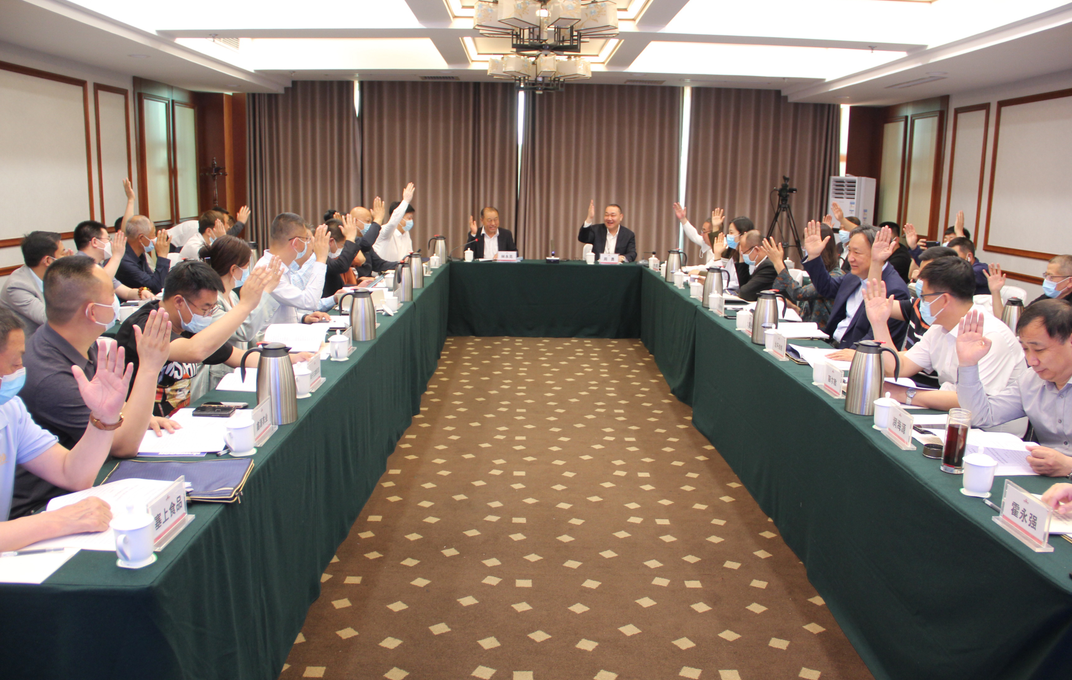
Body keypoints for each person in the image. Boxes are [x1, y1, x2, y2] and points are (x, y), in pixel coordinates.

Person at [12, 256, 176, 517]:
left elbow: (113, 414)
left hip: (77, 484)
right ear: (92, 311)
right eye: (111, 295)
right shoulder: (48, 375)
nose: (115, 301)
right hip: (44, 505)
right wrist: (149, 366)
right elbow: (123, 445)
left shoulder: (74, 341)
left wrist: (137, 415)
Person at [0, 307, 133, 552]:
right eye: (14, 363)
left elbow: (71, 473)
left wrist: (103, 417)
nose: (20, 370)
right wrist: (58, 521)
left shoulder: (9, 409)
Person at [114, 259, 294, 417]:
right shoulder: (147, 325)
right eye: (205, 308)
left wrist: (288, 359)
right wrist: (245, 306)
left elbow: (239, 357)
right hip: (142, 426)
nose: (208, 315)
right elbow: (194, 351)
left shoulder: (188, 323)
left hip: (178, 422)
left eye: (212, 309)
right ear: (179, 302)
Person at [859, 257, 1024, 413]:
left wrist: (905, 394)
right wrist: (879, 322)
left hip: (989, 429)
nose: (920, 303)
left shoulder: (991, 336)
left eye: (924, 297)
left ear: (944, 299)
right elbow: (898, 367)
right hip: (949, 415)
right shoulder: (939, 328)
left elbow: (968, 401)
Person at [956, 300, 1072, 476]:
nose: (1032, 361)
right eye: (1025, 349)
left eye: (1039, 350)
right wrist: (968, 363)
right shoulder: (1030, 380)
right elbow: (982, 416)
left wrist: (1069, 465)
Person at [801, 221, 911, 349]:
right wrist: (814, 256)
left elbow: (878, 338)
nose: (850, 258)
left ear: (878, 251)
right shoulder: (855, 275)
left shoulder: (894, 290)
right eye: (849, 251)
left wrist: (852, 353)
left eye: (857, 253)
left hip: (856, 353)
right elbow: (826, 287)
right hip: (832, 343)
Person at [190, 236, 276, 398]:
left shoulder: (232, 296)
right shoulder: (212, 302)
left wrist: (265, 344)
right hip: (217, 377)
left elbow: (249, 336)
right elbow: (242, 331)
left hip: (237, 370)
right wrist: (266, 291)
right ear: (234, 269)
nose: (248, 272)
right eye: (246, 266)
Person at [255, 213, 333, 325]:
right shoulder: (269, 270)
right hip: (275, 335)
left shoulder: (278, 265)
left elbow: (279, 308)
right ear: (296, 242)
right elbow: (310, 301)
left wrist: (303, 317)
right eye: (306, 239)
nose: (308, 244)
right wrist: (321, 258)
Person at [762, 227, 842, 327]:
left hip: (821, 334)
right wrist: (794, 307)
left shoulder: (836, 276)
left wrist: (778, 263)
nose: (806, 251)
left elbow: (799, 293)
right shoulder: (820, 274)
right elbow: (810, 315)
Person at [0, 231, 67, 338]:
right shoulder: (17, 286)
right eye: (63, 254)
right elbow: (50, 319)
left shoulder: (52, 275)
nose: (67, 258)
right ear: (48, 260)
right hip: (31, 344)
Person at [72, 220, 154, 302]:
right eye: (108, 239)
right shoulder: (77, 265)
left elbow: (125, 292)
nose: (110, 243)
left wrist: (141, 292)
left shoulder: (99, 265)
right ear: (95, 242)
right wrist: (117, 256)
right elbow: (100, 285)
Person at [985, 256, 1072, 316]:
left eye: (1051, 277)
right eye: (1046, 275)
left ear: (1070, 281)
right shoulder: (1046, 298)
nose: (1046, 280)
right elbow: (1012, 322)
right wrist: (995, 291)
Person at [117, 214, 171, 293]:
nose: (155, 239)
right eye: (153, 235)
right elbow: (156, 287)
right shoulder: (125, 261)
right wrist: (162, 256)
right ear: (141, 238)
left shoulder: (140, 254)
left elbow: (152, 278)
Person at [350, 200, 398, 280]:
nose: (369, 225)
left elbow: (379, 264)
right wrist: (378, 220)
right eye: (367, 221)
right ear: (355, 221)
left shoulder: (364, 242)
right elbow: (366, 243)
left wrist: (402, 263)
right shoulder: (349, 240)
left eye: (371, 222)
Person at [372, 183, 417, 264]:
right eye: (409, 218)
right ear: (399, 218)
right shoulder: (384, 231)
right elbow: (393, 223)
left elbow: (409, 254)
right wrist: (405, 201)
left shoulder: (406, 233)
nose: (411, 221)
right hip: (385, 271)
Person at [322, 216, 363, 297]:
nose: (344, 250)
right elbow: (342, 266)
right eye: (344, 245)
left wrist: (357, 287)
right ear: (331, 241)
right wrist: (350, 238)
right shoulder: (319, 257)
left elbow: (337, 286)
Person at [734, 231, 778, 301]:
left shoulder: (769, 266)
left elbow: (745, 292)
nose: (742, 254)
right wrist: (742, 259)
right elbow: (744, 285)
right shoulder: (762, 263)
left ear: (756, 250)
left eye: (744, 252)